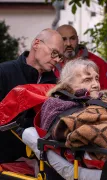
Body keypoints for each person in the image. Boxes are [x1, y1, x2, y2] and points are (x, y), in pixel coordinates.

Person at [0, 28, 64, 163]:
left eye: (60, 56)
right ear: (36, 44)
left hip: (41, 163)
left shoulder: (56, 86)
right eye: (54, 53)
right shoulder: (3, 72)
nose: (57, 59)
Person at [55, 24, 107, 97]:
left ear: (77, 39)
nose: (68, 44)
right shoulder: (51, 64)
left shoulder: (97, 63)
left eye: (72, 38)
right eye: (63, 39)